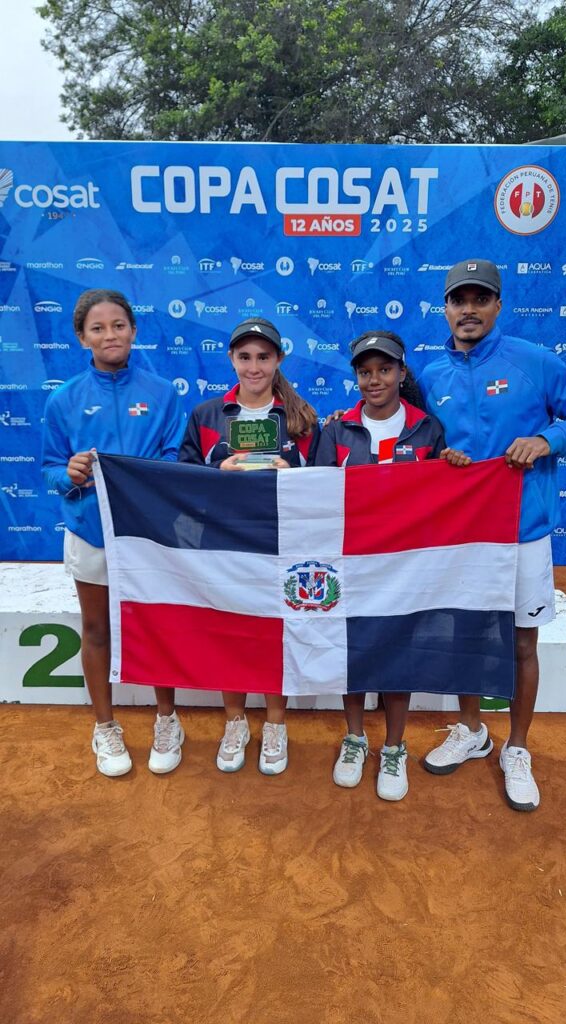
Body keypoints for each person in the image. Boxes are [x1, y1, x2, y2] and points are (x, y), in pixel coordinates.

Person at [419, 258, 566, 811]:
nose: (469, 310)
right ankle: (471, 730)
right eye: (459, 300)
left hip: (522, 529)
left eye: (480, 299)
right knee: (465, 635)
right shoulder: (429, 376)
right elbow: (417, 447)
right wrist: (439, 456)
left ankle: (518, 746)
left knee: (522, 642)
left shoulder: (534, 361)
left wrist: (548, 440)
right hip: (462, 533)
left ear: (498, 305)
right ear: (445, 309)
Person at [42, 289, 185, 778]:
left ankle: (167, 720)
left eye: (118, 325)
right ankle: (105, 726)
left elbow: (174, 458)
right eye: (98, 328)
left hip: (148, 533)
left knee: (156, 624)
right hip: (90, 531)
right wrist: (69, 473)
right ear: (82, 338)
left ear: (134, 331)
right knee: (98, 629)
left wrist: (149, 479)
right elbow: (50, 468)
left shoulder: (162, 393)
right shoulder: (63, 400)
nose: (110, 335)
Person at [179, 316, 319, 776]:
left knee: (275, 633)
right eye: (244, 357)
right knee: (229, 631)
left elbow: (323, 484)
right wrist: (217, 473)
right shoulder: (206, 415)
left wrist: (292, 475)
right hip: (223, 544)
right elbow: (183, 479)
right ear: (231, 359)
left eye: (263, 357)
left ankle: (275, 723)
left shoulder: (301, 418)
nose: (253, 367)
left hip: (280, 541)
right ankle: (235, 722)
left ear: (278, 359)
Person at [315, 330, 446, 801]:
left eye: (385, 370)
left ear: (401, 372)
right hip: (350, 562)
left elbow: (444, 498)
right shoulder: (337, 429)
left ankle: (394, 746)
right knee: (352, 652)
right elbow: (318, 494)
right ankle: (355, 738)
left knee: (397, 655)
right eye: (365, 371)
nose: (375, 380)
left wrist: (452, 466)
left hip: (406, 567)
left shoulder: (427, 428)